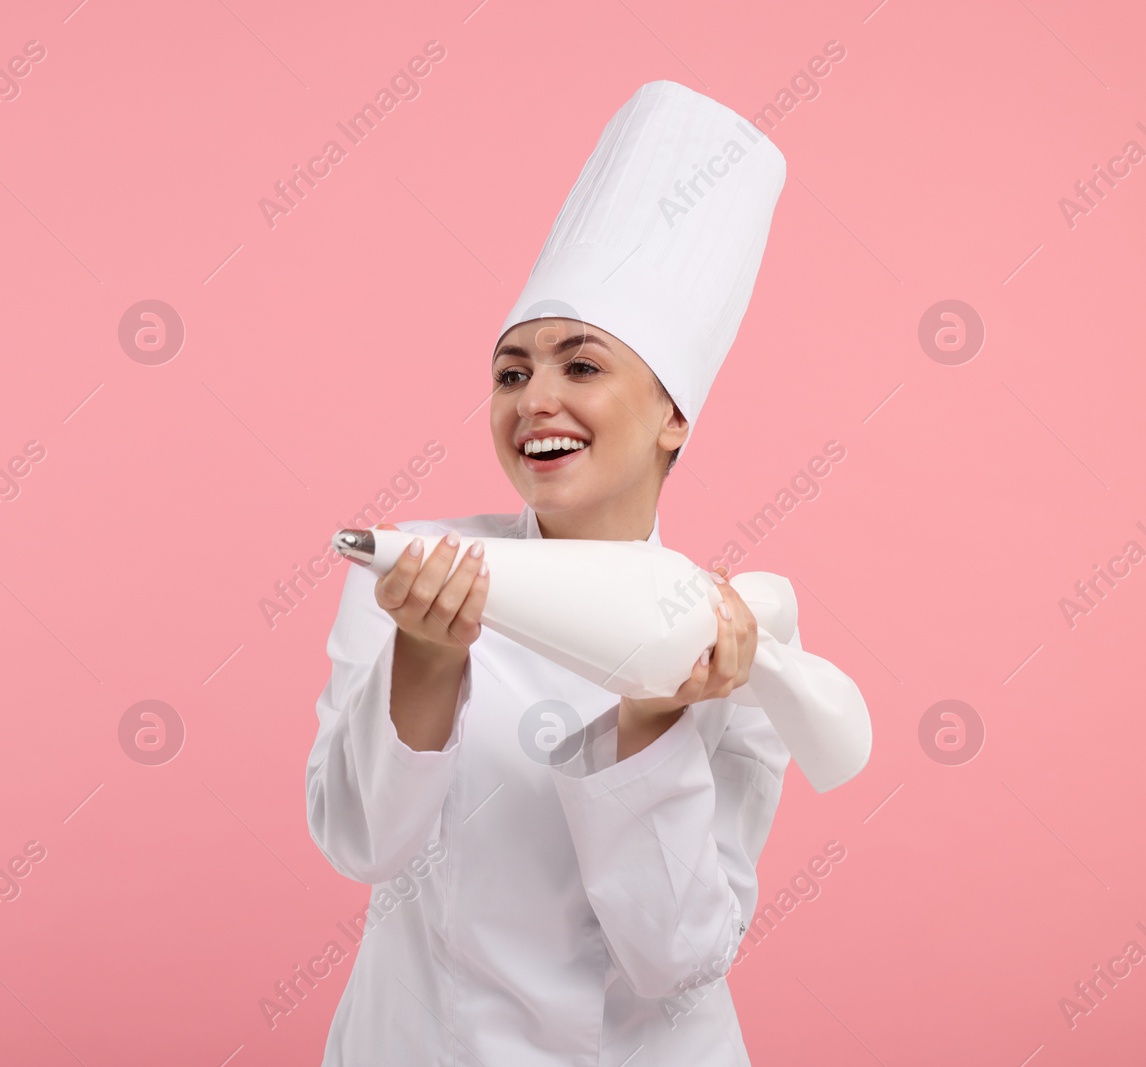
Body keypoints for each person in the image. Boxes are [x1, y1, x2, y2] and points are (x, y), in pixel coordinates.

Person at [305, 81, 869, 1064]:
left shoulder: (727, 639)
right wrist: (428, 662)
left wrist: (652, 724)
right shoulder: (413, 578)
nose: (536, 399)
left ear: (673, 414)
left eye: (582, 364)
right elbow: (364, 845)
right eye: (511, 372)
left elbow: (676, 954)